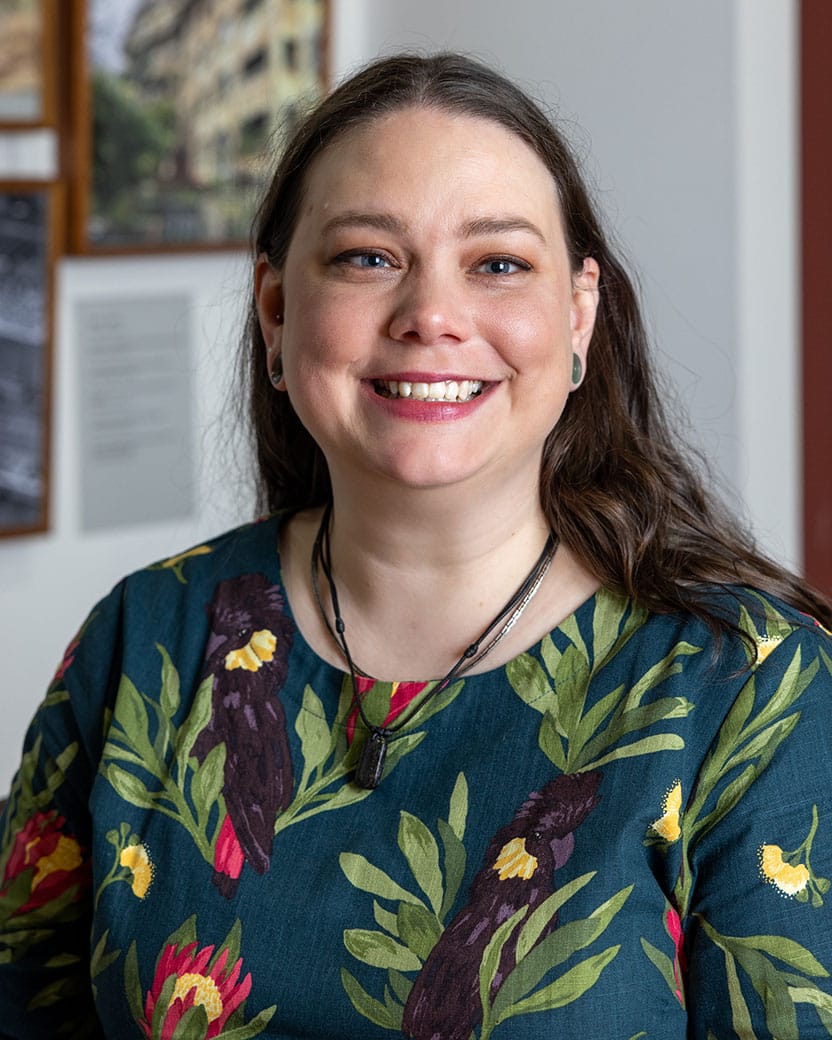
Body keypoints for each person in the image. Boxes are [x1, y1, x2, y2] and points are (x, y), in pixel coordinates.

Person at [1, 52, 831, 1039]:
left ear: (576, 317)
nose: (431, 315)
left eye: (497, 264)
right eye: (367, 257)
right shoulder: (147, 636)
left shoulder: (749, 685)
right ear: (275, 311)